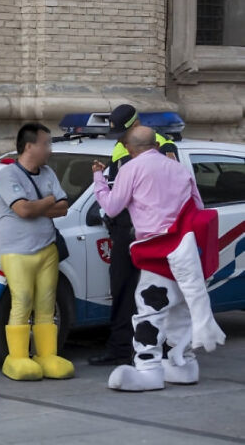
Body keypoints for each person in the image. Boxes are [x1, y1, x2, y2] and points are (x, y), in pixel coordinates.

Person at [92, 126, 225, 391]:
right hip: (185, 251)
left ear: (130, 147)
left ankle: (148, 367)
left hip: (156, 249)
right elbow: (197, 207)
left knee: (149, 311)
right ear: (154, 144)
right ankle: (182, 362)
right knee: (180, 310)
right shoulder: (178, 168)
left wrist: (98, 178)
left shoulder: (131, 168)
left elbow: (112, 206)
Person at [89, 104, 180, 366]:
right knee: (122, 290)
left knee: (156, 294)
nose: (122, 140)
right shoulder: (120, 149)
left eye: (125, 134)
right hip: (125, 231)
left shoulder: (162, 145)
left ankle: (158, 351)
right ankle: (119, 350)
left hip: (154, 232)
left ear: (137, 123)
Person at [0, 123, 74, 381]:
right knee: (22, 300)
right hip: (17, 251)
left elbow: (64, 207)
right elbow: (23, 210)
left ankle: (46, 355)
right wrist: (48, 201)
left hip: (47, 248)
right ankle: (17, 357)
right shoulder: (8, 175)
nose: (49, 149)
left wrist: (41, 205)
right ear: (29, 146)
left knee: (46, 304)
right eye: (46, 143)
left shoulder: (48, 172)